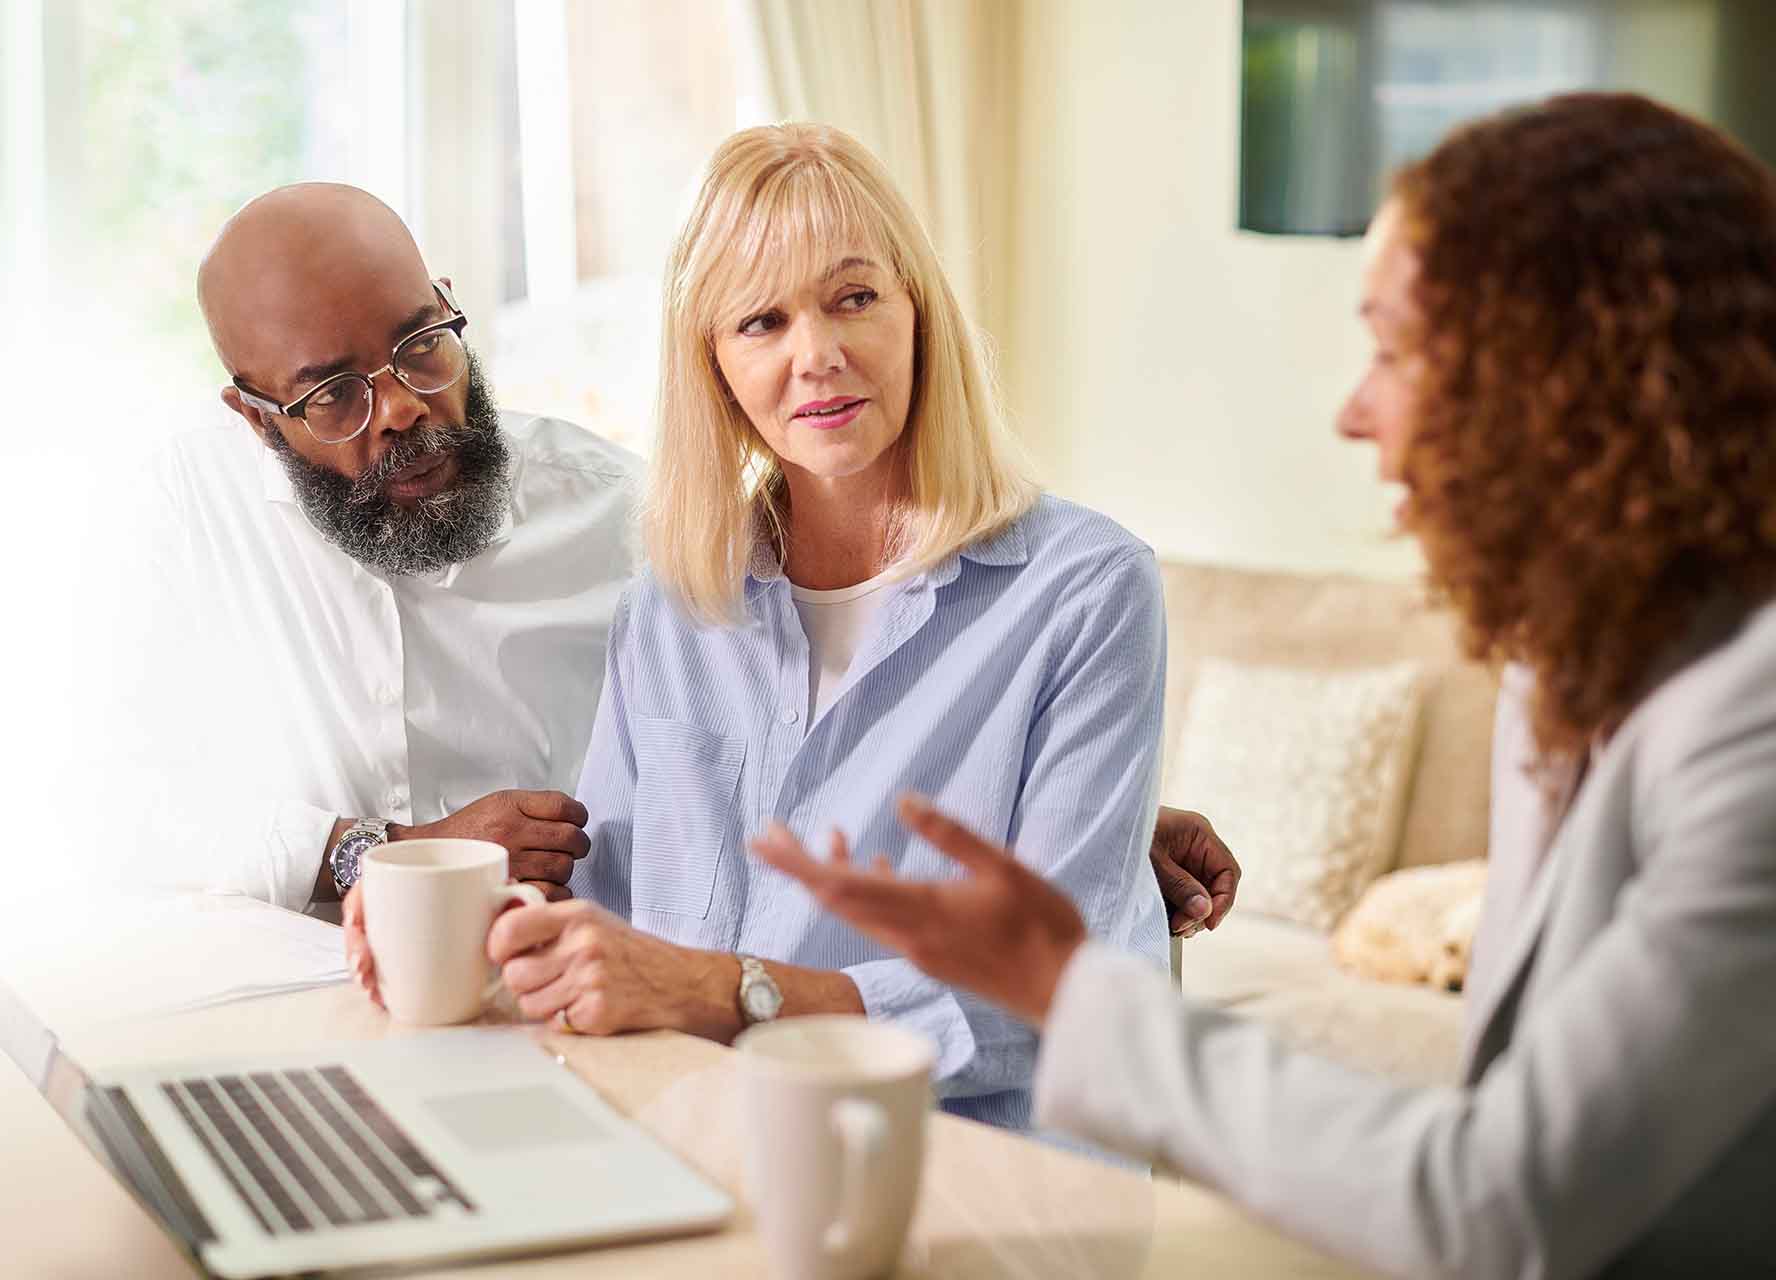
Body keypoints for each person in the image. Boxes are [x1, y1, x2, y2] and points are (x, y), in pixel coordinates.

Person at [751, 92, 1776, 1276]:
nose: (1354, 411)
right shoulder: (1566, 664)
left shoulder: (1750, 727)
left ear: (1569, 381)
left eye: (1396, 349)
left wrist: (1067, 987)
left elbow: (1503, 1198)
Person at [346, 122, 1171, 1134]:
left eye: (853, 297)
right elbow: (613, 922)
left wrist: (728, 989)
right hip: (699, 1141)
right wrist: (456, 925)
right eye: (762, 322)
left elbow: (1060, 994)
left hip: (970, 1173)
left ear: (920, 313)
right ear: (715, 367)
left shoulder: (1087, 593)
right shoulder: (673, 605)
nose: (817, 356)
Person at [134, 181, 1239, 931]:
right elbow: (107, 806)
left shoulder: (641, 527)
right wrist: (379, 853)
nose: (402, 412)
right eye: (331, 395)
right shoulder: (182, 511)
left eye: (423, 347)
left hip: (577, 1016)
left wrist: (1077, 810)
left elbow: (806, 749)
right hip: (291, 1002)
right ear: (255, 413)